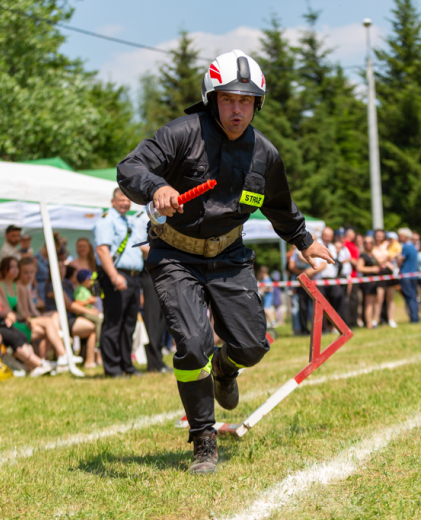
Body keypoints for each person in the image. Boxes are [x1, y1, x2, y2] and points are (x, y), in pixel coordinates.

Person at [116, 50, 333, 474]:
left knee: (252, 346)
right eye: (229, 99)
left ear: (257, 104)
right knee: (193, 344)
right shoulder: (182, 134)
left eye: (246, 101)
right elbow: (130, 167)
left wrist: (304, 241)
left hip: (229, 256)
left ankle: (226, 368)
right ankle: (203, 440)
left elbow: (280, 206)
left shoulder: (265, 154)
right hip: (174, 254)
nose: (238, 109)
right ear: (212, 98)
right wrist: (156, 186)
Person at [0, 258, 53, 377]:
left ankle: (34, 366)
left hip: (0, 321)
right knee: (12, 338)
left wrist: (9, 315)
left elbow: (4, 306)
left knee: (19, 336)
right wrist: (6, 314)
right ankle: (39, 364)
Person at [93, 189, 148, 378]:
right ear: (112, 201)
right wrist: (114, 276)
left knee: (129, 324)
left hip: (133, 277)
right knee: (114, 323)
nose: (125, 203)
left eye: (128, 200)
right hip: (116, 275)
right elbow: (102, 250)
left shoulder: (128, 221)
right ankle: (113, 368)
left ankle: (127, 365)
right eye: (121, 199)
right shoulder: (106, 220)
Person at [0, 256, 73, 366]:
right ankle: (58, 354)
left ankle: (52, 358)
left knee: (50, 322)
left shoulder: (15, 286)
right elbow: (14, 311)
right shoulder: (4, 287)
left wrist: (34, 317)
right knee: (48, 325)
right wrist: (31, 318)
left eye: (16, 267)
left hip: (21, 320)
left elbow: (26, 309)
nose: (15, 270)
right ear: (4, 269)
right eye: (12, 267)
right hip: (13, 324)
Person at [42, 259, 99, 367]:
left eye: (62, 267)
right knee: (92, 327)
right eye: (57, 268)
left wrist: (88, 305)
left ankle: (89, 360)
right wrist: (90, 311)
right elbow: (70, 306)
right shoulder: (53, 285)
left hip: (70, 317)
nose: (61, 270)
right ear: (51, 271)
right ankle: (89, 358)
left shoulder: (67, 283)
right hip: (61, 321)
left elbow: (76, 301)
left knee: (91, 328)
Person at [73, 269, 103, 367]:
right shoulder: (80, 290)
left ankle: (92, 358)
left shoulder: (85, 290)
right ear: (86, 280)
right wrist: (89, 301)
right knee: (99, 321)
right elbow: (76, 303)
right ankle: (99, 342)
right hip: (82, 314)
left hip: (87, 313)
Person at [371, 229, 397, 328]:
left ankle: (391, 319)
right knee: (379, 298)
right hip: (380, 273)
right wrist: (384, 260)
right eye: (378, 235)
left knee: (390, 297)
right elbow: (378, 260)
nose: (379, 238)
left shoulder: (388, 244)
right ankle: (375, 320)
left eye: (381, 236)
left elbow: (394, 253)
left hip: (389, 272)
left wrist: (387, 260)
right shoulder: (373, 247)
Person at [356, 234, 381, 328]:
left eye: (370, 242)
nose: (368, 244)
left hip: (374, 281)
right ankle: (369, 323)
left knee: (374, 302)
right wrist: (372, 269)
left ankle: (373, 322)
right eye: (366, 242)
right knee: (369, 304)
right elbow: (359, 267)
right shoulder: (363, 255)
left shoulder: (373, 255)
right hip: (368, 282)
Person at [398, 228, 420, 323]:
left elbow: (400, 261)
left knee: (409, 297)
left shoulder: (406, 247)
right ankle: (415, 317)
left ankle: (413, 318)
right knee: (413, 297)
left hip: (406, 276)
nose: (399, 238)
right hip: (413, 275)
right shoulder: (413, 246)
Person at [343, 228, 362, 328]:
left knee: (355, 299)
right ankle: (349, 320)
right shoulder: (345, 244)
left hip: (355, 275)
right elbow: (349, 259)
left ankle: (354, 320)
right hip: (350, 275)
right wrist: (356, 262)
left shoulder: (353, 244)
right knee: (349, 299)